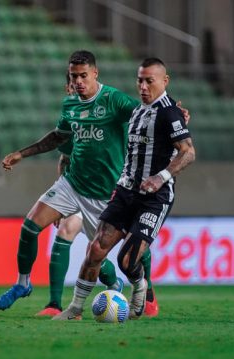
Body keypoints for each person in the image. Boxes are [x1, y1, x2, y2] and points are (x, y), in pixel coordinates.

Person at [0, 50, 146, 314]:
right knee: (30, 225)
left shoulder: (114, 100)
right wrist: (22, 153)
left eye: (83, 76)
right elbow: (57, 137)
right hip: (72, 184)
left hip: (105, 194)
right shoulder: (70, 104)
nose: (78, 81)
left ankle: (134, 287)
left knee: (100, 253)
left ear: (95, 73)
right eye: (74, 76)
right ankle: (23, 283)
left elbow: (145, 114)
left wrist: (172, 114)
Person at [53, 57, 195, 321]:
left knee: (127, 261)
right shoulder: (138, 110)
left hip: (155, 197)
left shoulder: (169, 113)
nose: (142, 86)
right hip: (125, 190)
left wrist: (160, 177)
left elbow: (188, 152)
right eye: (139, 80)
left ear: (165, 81)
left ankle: (140, 287)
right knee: (96, 249)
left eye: (149, 81)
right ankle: (74, 309)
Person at [36, 72, 160, 317]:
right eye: (72, 85)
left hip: (117, 188)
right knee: (67, 232)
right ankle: (54, 304)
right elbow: (65, 159)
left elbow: (144, 118)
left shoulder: (110, 110)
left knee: (129, 242)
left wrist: (171, 114)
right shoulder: (72, 118)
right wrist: (62, 201)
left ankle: (146, 290)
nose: (77, 88)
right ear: (67, 88)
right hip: (81, 190)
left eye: (81, 82)